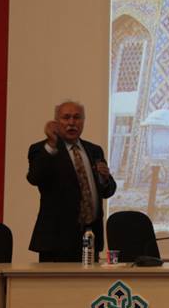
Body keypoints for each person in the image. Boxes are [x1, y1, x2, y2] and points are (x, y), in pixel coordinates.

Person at [27, 101, 117, 262]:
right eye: (66, 117)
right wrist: (51, 144)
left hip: (90, 238)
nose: (71, 122)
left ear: (83, 121)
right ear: (56, 122)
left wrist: (104, 179)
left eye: (77, 117)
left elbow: (107, 191)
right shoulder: (43, 149)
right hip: (56, 242)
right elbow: (34, 177)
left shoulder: (94, 150)